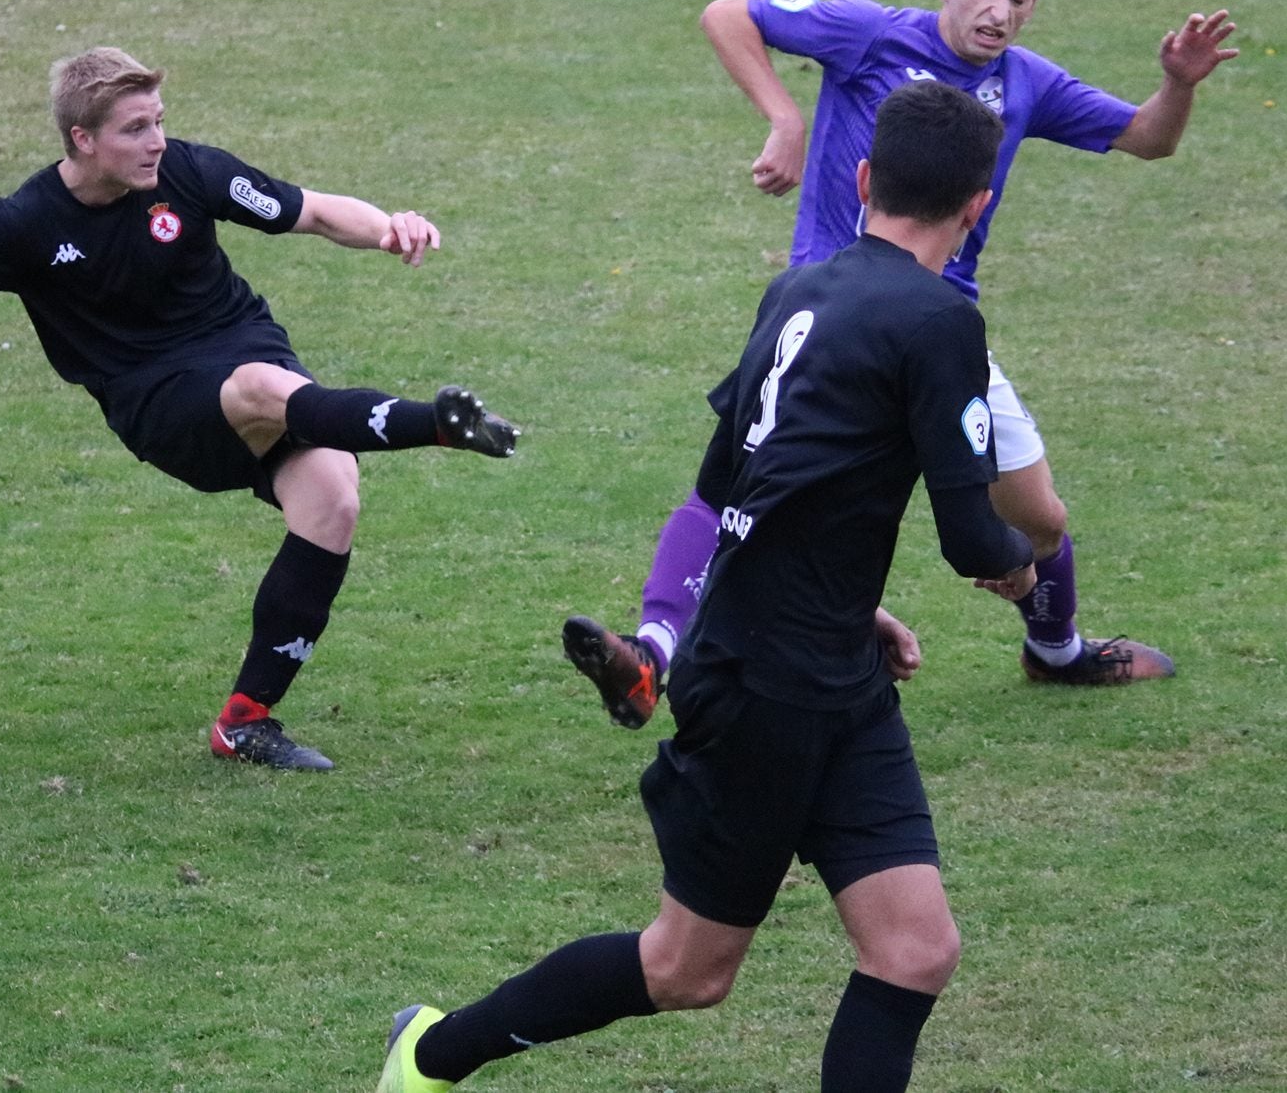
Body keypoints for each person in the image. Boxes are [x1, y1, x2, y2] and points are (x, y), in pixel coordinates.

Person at [377, 82, 1034, 1093]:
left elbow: (742, 488)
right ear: (978, 204)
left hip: (833, 675)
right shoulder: (940, 321)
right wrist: (1032, 563)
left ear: (863, 180)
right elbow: (968, 539)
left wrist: (850, 604)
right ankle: (430, 1052)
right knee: (685, 969)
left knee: (913, 949)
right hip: (763, 689)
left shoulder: (800, 290)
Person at [0, 46, 519, 772]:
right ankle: (432, 424)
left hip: (244, 346)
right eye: (134, 129)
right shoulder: (20, 224)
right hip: (157, 400)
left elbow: (308, 209)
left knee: (332, 499)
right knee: (262, 391)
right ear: (82, 139)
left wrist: (388, 229)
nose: (156, 142)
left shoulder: (189, 173)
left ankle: (246, 722)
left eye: (159, 122)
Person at [565, 0, 1236, 720]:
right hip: (821, 320)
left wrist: (1180, 85)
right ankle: (650, 654)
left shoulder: (1027, 83)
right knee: (740, 491)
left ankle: (1054, 652)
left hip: (940, 336)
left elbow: (1148, 139)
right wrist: (785, 118)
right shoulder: (868, 34)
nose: (1000, 11)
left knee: (1040, 521)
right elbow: (727, 13)